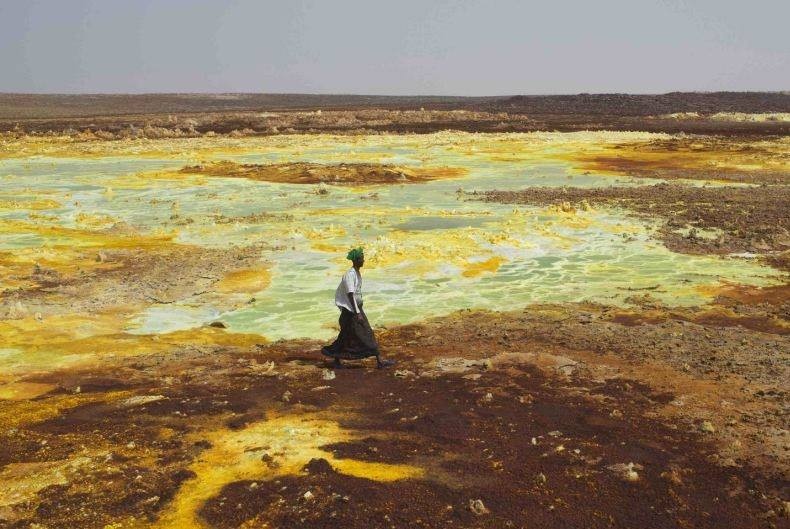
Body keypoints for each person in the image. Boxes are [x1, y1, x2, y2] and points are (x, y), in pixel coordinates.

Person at [322, 247, 394, 369]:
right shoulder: (350, 275)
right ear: (355, 260)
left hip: (354, 309)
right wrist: (357, 313)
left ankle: (336, 359)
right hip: (351, 311)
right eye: (361, 258)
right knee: (366, 333)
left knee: (346, 335)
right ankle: (379, 361)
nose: (363, 260)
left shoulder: (356, 273)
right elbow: (350, 295)